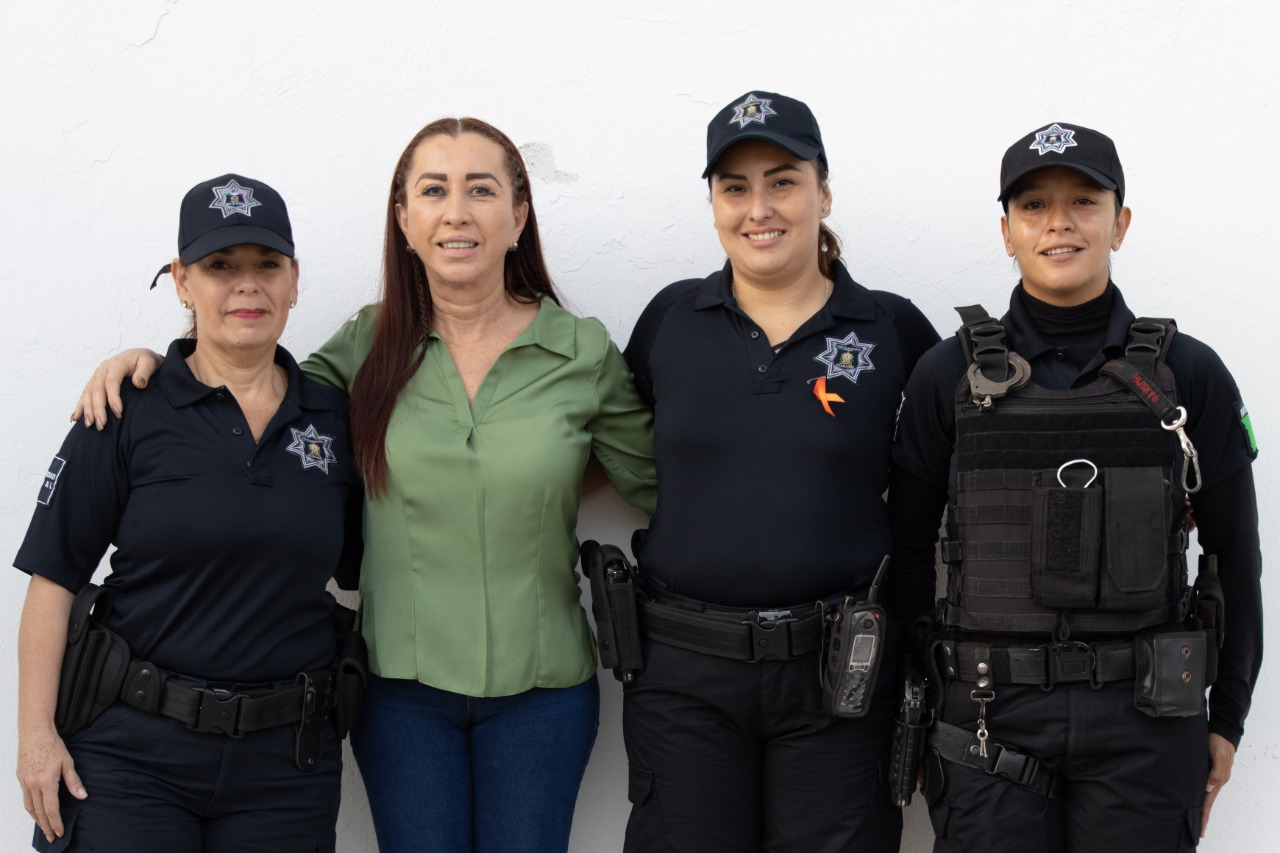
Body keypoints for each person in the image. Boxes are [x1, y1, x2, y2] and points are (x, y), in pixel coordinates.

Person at [71, 118, 657, 853]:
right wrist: (152, 366)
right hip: (400, 695)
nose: (456, 212)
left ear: (518, 216)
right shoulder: (364, 347)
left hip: (544, 692)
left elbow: (656, 479)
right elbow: (249, 399)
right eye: (433, 191)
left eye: (480, 190)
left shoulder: (582, 351)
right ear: (404, 221)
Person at [890, 123, 1262, 852]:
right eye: (1034, 205)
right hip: (988, 715)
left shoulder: (1190, 374)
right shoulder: (946, 375)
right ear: (1007, 231)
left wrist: (1227, 718)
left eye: (1084, 201)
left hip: (1147, 720)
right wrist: (915, 707)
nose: (1059, 222)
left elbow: (1235, 555)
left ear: (1120, 223)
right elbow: (905, 550)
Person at [620, 91, 940, 852]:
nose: (758, 208)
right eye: (734, 187)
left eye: (783, 181)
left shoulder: (893, 328)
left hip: (842, 675)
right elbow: (605, 449)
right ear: (713, 203)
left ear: (823, 194)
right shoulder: (670, 319)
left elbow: (948, 489)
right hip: (685, 677)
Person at [15, 174, 363, 852]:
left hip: (285, 767)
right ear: (181, 281)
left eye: (267, 265)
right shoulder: (125, 408)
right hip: (131, 756)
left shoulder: (335, 418)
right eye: (220, 266)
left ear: (294, 281)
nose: (247, 285)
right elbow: (53, 579)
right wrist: (36, 737)